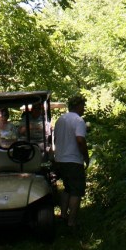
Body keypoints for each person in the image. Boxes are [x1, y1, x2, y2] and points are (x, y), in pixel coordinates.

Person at [53, 94, 89, 232]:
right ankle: (72, 222)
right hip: (73, 160)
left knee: (67, 188)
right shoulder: (79, 121)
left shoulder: (60, 120)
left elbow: (56, 139)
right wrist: (85, 156)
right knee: (76, 191)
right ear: (78, 106)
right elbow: (80, 140)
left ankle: (63, 215)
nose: (84, 108)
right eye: (83, 105)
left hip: (60, 159)